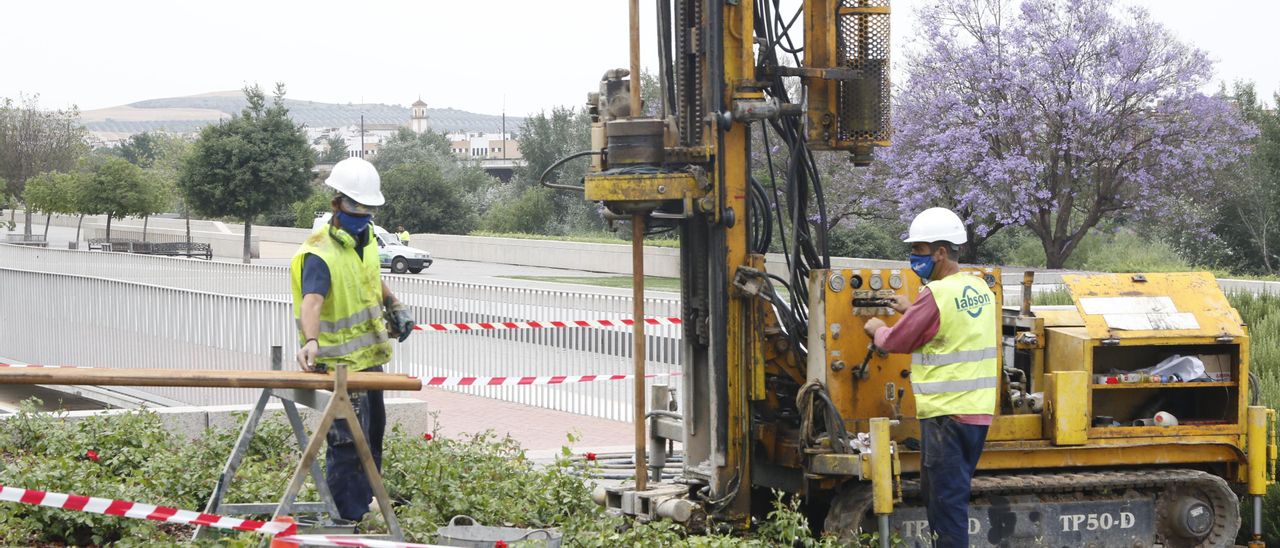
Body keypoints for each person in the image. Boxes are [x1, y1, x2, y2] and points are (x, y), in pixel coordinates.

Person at [862, 207, 997, 548]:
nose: (914, 257)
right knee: (951, 494)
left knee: (945, 504)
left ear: (941, 251)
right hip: (976, 414)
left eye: (920, 251)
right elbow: (952, 329)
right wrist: (913, 310)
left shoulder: (935, 295)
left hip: (945, 416)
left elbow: (897, 341)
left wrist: (877, 329)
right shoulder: (978, 288)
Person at [291, 157, 416, 521]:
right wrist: (310, 340)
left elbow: (369, 278)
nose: (362, 214)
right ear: (337, 203)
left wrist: (394, 304)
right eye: (355, 206)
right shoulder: (320, 251)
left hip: (368, 362)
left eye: (368, 208)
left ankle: (360, 509)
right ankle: (343, 520)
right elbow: (312, 301)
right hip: (340, 365)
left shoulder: (363, 242)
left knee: (372, 435)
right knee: (347, 443)